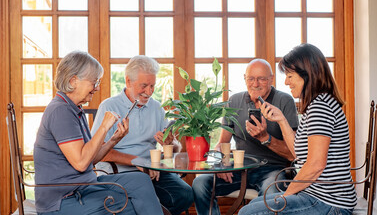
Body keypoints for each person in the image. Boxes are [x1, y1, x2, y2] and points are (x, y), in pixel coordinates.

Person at [34, 51, 163, 214]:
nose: (97, 88)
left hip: (84, 186)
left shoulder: (74, 109)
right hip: (64, 198)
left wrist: (113, 140)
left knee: (141, 181)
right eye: (93, 82)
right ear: (74, 81)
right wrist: (104, 127)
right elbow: (81, 163)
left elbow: (90, 160)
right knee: (130, 205)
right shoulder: (61, 111)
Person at [239, 43, 357, 214]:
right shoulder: (316, 104)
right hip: (316, 195)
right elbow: (299, 154)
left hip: (328, 202)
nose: (286, 82)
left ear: (307, 75)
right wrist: (281, 120)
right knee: (254, 204)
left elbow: (315, 165)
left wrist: (286, 195)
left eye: (290, 76)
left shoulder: (320, 107)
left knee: (248, 213)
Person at [192, 58, 299, 215]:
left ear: (271, 78)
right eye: (251, 78)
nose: (255, 84)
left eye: (261, 79)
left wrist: (265, 138)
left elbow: (293, 153)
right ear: (244, 78)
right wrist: (221, 164)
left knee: (270, 196)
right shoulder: (235, 100)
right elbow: (222, 143)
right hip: (240, 168)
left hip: (273, 169)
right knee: (200, 183)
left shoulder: (284, 101)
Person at [91, 55, 194, 215]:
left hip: (151, 172)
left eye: (153, 86)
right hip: (119, 173)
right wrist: (137, 161)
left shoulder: (156, 108)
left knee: (185, 195)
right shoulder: (109, 106)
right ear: (128, 82)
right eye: (144, 86)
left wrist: (171, 144)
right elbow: (98, 153)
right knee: (143, 200)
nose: (149, 92)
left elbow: (175, 149)